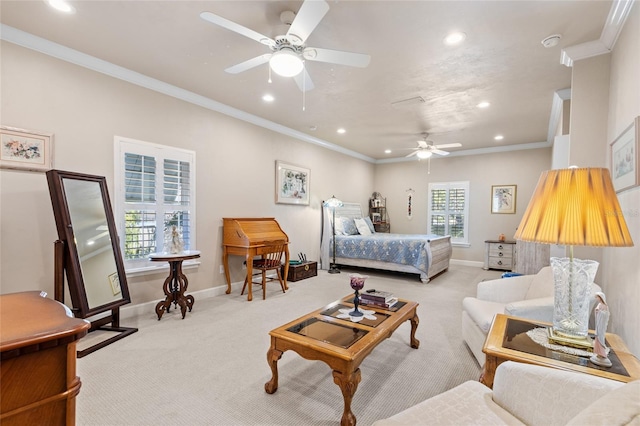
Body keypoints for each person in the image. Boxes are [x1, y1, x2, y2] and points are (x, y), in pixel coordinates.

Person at [590, 292, 612, 367]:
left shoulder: (605, 306)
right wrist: (597, 311)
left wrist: (600, 312)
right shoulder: (599, 305)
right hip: (598, 325)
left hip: (601, 326)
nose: (597, 299)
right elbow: (597, 312)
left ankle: (602, 354)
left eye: (598, 297)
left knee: (600, 338)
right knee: (597, 338)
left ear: (601, 297)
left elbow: (606, 314)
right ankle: (598, 353)